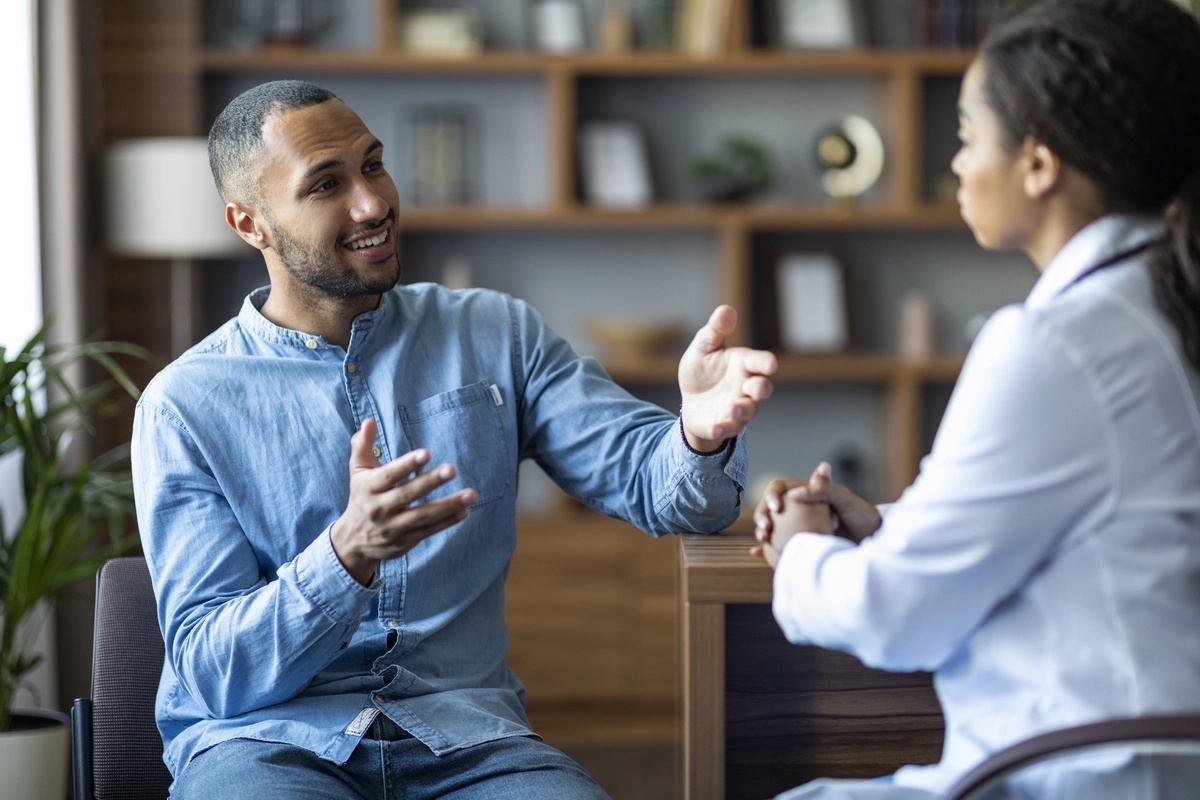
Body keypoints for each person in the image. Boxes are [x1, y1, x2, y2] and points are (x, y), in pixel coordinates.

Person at [131, 79, 777, 799]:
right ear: (250, 224)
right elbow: (214, 673)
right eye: (327, 185)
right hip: (268, 746)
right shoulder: (183, 406)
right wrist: (345, 556)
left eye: (373, 165)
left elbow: (664, 492)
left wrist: (697, 435)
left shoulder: (496, 333)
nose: (373, 204)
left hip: (472, 742)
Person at [751, 0, 1200, 797]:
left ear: (1038, 163)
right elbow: (1100, 523)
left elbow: (895, 616)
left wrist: (801, 552)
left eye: (967, 136)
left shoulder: (1054, 343)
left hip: (1075, 777)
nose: (957, 164)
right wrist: (890, 526)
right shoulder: (1161, 305)